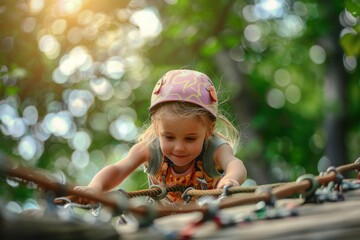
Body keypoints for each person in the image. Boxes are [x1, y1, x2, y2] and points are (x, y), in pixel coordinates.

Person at [74, 69, 247, 205]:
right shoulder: (149, 149)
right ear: (157, 128)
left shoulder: (215, 149)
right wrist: (94, 188)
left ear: (209, 130)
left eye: (190, 139)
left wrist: (231, 179)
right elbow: (118, 169)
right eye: (169, 137)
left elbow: (234, 164)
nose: (179, 147)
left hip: (207, 214)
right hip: (160, 217)